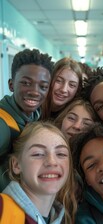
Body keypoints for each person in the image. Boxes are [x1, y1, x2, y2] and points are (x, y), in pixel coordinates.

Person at [0, 121, 77, 224]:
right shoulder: (2, 209)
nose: (52, 162)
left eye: (61, 154)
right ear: (16, 165)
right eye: (38, 154)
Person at [0, 48, 54, 191]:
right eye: (26, 83)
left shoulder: (34, 115)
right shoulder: (3, 124)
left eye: (43, 86)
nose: (35, 92)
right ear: (11, 85)